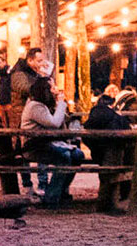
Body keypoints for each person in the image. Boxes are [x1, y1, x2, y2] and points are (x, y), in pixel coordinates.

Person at [21, 76, 84, 207]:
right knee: (64, 157)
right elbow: (54, 123)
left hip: (48, 144)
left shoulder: (45, 106)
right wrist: (61, 104)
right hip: (35, 147)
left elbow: (61, 123)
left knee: (78, 155)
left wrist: (58, 106)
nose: (56, 90)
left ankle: (59, 192)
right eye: (53, 87)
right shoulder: (34, 106)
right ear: (46, 90)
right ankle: (51, 198)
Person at [84, 84, 133, 211]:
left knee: (109, 167)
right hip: (115, 149)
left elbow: (86, 135)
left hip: (99, 151)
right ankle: (119, 197)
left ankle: (106, 200)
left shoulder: (95, 114)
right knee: (124, 160)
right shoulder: (116, 117)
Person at [9, 47, 48, 195]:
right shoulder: (18, 74)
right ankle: (27, 184)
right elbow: (25, 89)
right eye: (39, 60)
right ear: (30, 60)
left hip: (37, 116)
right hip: (21, 118)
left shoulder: (36, 74)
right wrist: (42, 79)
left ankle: (42, 184)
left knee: (41, 146)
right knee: (22, 151)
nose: (41, 63)